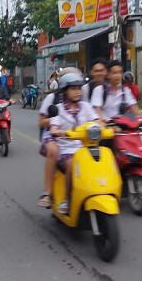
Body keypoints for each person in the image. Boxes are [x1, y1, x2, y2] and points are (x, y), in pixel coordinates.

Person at [43, 73, 100, 214]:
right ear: (65, 91)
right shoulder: (58, 109)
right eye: (73, 89)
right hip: (65, 149)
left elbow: (97, 121)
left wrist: (105, 127)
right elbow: (54, 126)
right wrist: (57, 131)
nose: (77, 92)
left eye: (79, 88)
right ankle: (67, 201)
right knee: (71, 164)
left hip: (84, 148)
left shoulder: (86, 107)